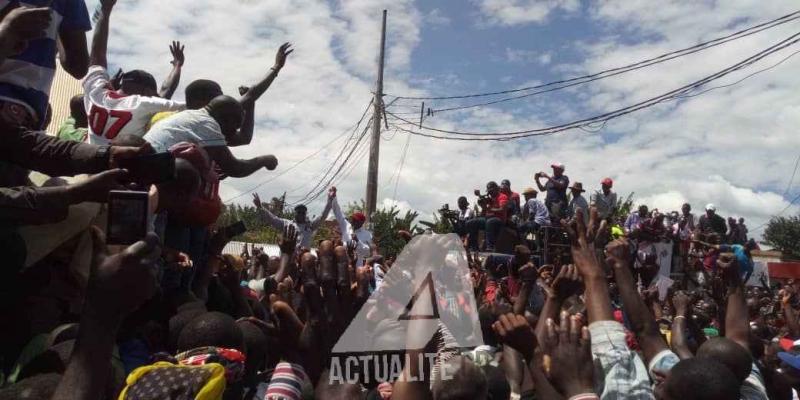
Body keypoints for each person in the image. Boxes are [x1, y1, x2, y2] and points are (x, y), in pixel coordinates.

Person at [82, 0, 185, 145]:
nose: (156, 95)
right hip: (120, 165)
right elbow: (169, 93)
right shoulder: (143, 104)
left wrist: (105, 10)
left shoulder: (96, 93)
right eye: (153, 92)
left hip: (90, 162)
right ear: (145, 90)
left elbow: (97, 56)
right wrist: (178, 66)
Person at [0, 0, 90, 130]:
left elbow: (78, 67)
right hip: (26, 113)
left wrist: (58, 25)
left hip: (25, 117)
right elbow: (79, 67)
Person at [143, 95, 278, 178]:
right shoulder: (208, 124)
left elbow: (243, 138)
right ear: (229, 120)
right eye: (234, 127)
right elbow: (235, 168)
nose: (231, 134)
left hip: (144, 168)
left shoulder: (190, 116)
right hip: (151, 176)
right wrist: (264, 160)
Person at [252, 187, 334, 250]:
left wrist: (330, 201)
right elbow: (272, 219)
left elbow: (322, 216)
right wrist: (260, 207)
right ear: (295, 213)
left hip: (303, 261)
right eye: (299, 212)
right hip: (288, 260)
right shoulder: (287, 224)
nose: (301, 214)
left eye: (303, 212)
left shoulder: (311, 226)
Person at [331, 189, 373, 266]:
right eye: (352, 219)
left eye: (355, 220)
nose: (353, 221)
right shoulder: (346, 226)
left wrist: (358, 241)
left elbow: (367, 253)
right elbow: (337, 212)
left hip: (358, 266)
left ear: (361, 223)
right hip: (343, 264)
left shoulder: (367, 234)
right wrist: (334, 198)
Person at [465, 181, 508, 252]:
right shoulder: (489, 199)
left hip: (499, 220)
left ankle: (490, 247)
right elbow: (483, 214)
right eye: (489, 191)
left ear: (496, 189)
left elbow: (502, 209)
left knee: (489, 222)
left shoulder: (502, 196)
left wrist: (489, 208)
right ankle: (474, 247)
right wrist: (483, 207)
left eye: (491, 191)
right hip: (487, 219)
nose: (490, 193)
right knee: (470, 223)